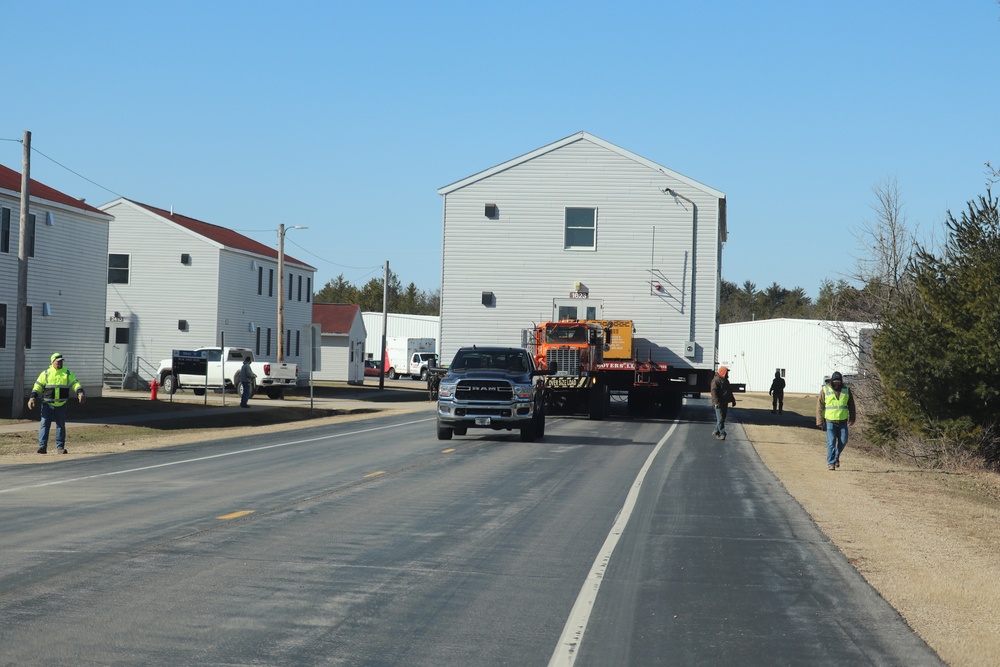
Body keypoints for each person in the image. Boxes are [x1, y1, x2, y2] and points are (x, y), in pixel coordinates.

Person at [27, 352, 85, 454]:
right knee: (44, 424)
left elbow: (75, 383)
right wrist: (32, 398)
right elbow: (37, 387)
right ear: (52, 362)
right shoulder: (45, 374)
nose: (59, 363)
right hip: (47, 405)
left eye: (61, 361)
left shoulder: (67, 373)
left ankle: (60, 447)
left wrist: (80, 392)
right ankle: (42, 447)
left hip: (61, 406)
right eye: (57, 361)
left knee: (60, 426)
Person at [816, 371, 856, 470]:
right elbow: (819, 406)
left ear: (841, 382)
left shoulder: (846, 390)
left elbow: (851, 405)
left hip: (842, 421)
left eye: (838, 382)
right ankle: (831, 463)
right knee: (831, 442)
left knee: (843, 440)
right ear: (832, 381)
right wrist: (819, 421)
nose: (837, 383)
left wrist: (852, 418)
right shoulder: (825, 390)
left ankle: (836, 456)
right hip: (830, 421)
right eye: (835, 382)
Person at [710, 366, 737, 440]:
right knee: (720, 418)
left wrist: (733, 400)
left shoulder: (726, 381)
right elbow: (713, 392)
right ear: (723, 372)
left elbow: (729, 392)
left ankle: (716, 431)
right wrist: (716, 402)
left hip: (725, 402)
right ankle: (722, 433)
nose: (727, 374)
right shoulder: (716, 380)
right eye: (726, 372)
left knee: (722, 418)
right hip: (718, 403)